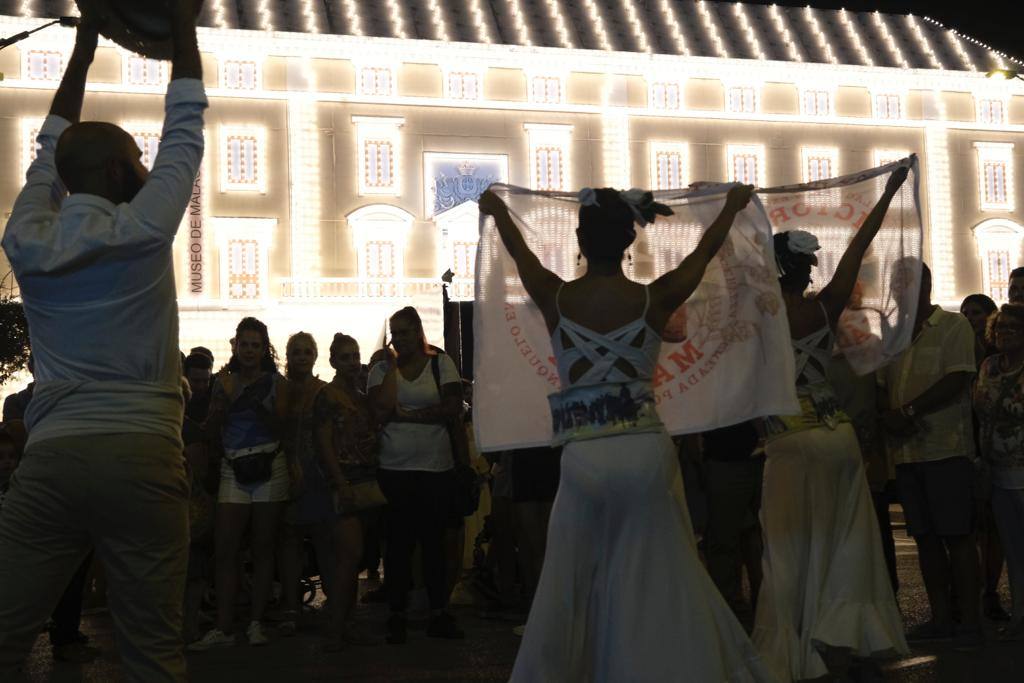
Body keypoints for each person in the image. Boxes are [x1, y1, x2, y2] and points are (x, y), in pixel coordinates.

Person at [480, 183, 777, 681]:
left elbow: (520, 253)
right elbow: (704, 253)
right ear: (628, 241)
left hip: (584, 456)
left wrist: (498, 212)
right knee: (658, 570)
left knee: (574, 574)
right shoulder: (655, 297)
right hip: (643, 451)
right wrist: (729, 207)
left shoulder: (555, 296)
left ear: (579, 238)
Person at [0, 8, 204, 680]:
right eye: (137, 159)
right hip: (142, 454)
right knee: (152, 650)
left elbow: (49, 150)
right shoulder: (144, 230)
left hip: (53, 457)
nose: (148, 165)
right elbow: (187, 126)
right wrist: (183, 31)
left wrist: (83, 51)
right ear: (119, 174)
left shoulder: (26, 239)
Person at [754, 167, 910, 681]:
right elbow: (859, 244)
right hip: (836, 434)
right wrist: (888, 192)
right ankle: (841, 633)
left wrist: (727, 210)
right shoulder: (824, 308)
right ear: (807, 268)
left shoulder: (762, 315)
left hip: (790, 438)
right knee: (845, 542)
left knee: (789, 545)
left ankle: (797, 645)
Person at [880, 264, 983, 649]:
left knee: (956, 536)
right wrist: (888, 416)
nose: (899, 291)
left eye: (906, 284)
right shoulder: (892, 335)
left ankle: (970, 622)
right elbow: (881, 384)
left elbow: (958, 378)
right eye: (895, 285)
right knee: (924, 537)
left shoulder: (952, 326)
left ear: (926, 286)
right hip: (907, 453)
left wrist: (907, 413)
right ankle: (940, 618)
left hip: (945, 449)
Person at [368, 306, 466, 644]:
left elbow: (453, 407)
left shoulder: (442, 364)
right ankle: (397, 611)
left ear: (419, 331)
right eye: (395, 333)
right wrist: (395, 369)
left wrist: (407, 416)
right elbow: (379, 410)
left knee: (434, 543)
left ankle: (438, 610)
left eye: (405, 332)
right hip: (394, 469)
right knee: (397, 546)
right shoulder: (382, 369)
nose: (399, 339)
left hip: (436, 468)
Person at [190, 317, 288, 650]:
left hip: (270, 464)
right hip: (233, 466)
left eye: (255, 345)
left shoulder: (276, 383)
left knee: (263, 548)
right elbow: (211, 428)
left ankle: (256, 622)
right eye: (244, 344)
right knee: (226, 549)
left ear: (264, 348)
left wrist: (263, 413)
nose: (249, 350)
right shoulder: (223, 383)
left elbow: (284, 428)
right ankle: (223, 626)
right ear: (236, 346)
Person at [314, 333, 382, 649]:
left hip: (365, 479)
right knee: (348, 556)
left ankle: (347, 623)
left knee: (352, 558)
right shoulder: (328, 396)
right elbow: (324, 443)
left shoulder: (359, 395)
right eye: (345, 357)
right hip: (346, 481)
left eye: (355, 356)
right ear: (333, 362)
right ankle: (335, 629)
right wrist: (339, 482)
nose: (352, 363)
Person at [274, 332, 331, 638]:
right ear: (288, 355)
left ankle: (334, 605)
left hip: (317, 474)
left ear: (315, 355)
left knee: (323, 541)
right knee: (289, 542)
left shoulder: (323, 391)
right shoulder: (280, 389)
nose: (302, 357)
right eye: (297, 351)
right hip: (285, 470)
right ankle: (291, 607)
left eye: (307, 351)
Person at [973, 303, 1024, 639]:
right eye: (1000, 327)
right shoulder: (989, 366)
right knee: (1013, 549)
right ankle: (1020, 616)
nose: (1004, 333)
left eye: (1013, 328)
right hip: (998, 471)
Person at [960, 293, 1010, 621]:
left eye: (976, 313)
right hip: (973, 443)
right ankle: (977, 590)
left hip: (997, 448)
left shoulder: (995, 357)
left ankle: (990, 591)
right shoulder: (969, 351)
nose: (969, 319)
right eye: (965, 313)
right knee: (977, 526)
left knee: (994, 528)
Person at [701, 422, 765, 620]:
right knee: (730, 541)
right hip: (727, 455)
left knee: (755, 540)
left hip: (747, 454)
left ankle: (753, 611)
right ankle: (736, 615)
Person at [184, 350, 215, 423]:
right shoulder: (176, 400)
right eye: (196, 381)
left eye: (206, 381)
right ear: (184, 377)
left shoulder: (215, 394)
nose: (201, 386)